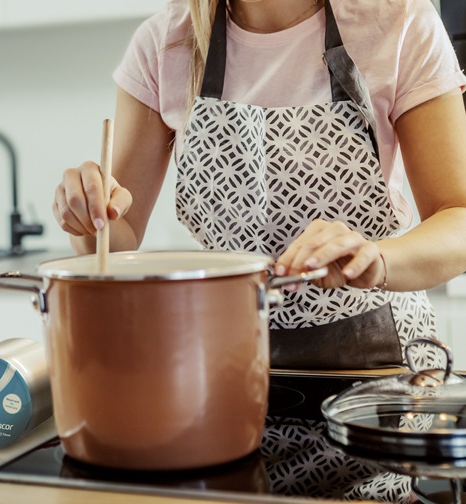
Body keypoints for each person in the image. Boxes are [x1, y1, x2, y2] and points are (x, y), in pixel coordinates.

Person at [51, 0, 466, 501]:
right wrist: (86, 214)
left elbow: (458, 215)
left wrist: (377, 258)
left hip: (377, 386)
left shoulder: (397, 23)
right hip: (222, 377)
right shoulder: (167, 43)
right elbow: (117, 236)